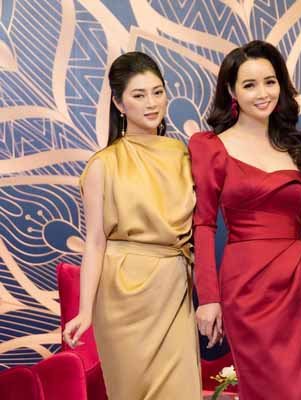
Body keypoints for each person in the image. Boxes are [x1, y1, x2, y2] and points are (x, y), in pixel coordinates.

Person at [189, 40, 301, 400]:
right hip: (246, 287)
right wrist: (208, 299)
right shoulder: (211, 146)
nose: (263, 93)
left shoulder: (292, 150)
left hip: (296, 285)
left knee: (300, 389)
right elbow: (203, 225)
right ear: (232, 91)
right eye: (250, 85)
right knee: (265, 386)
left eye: (270, 82)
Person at [63, 52, 201, 399]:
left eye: (158, 92)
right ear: (118, 103)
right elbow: (95, 242)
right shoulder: (103, 164)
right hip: (123, 294)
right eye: (139, 95)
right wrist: (84, 311)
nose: (151, 103)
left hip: (175, 287)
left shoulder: (185, 156)